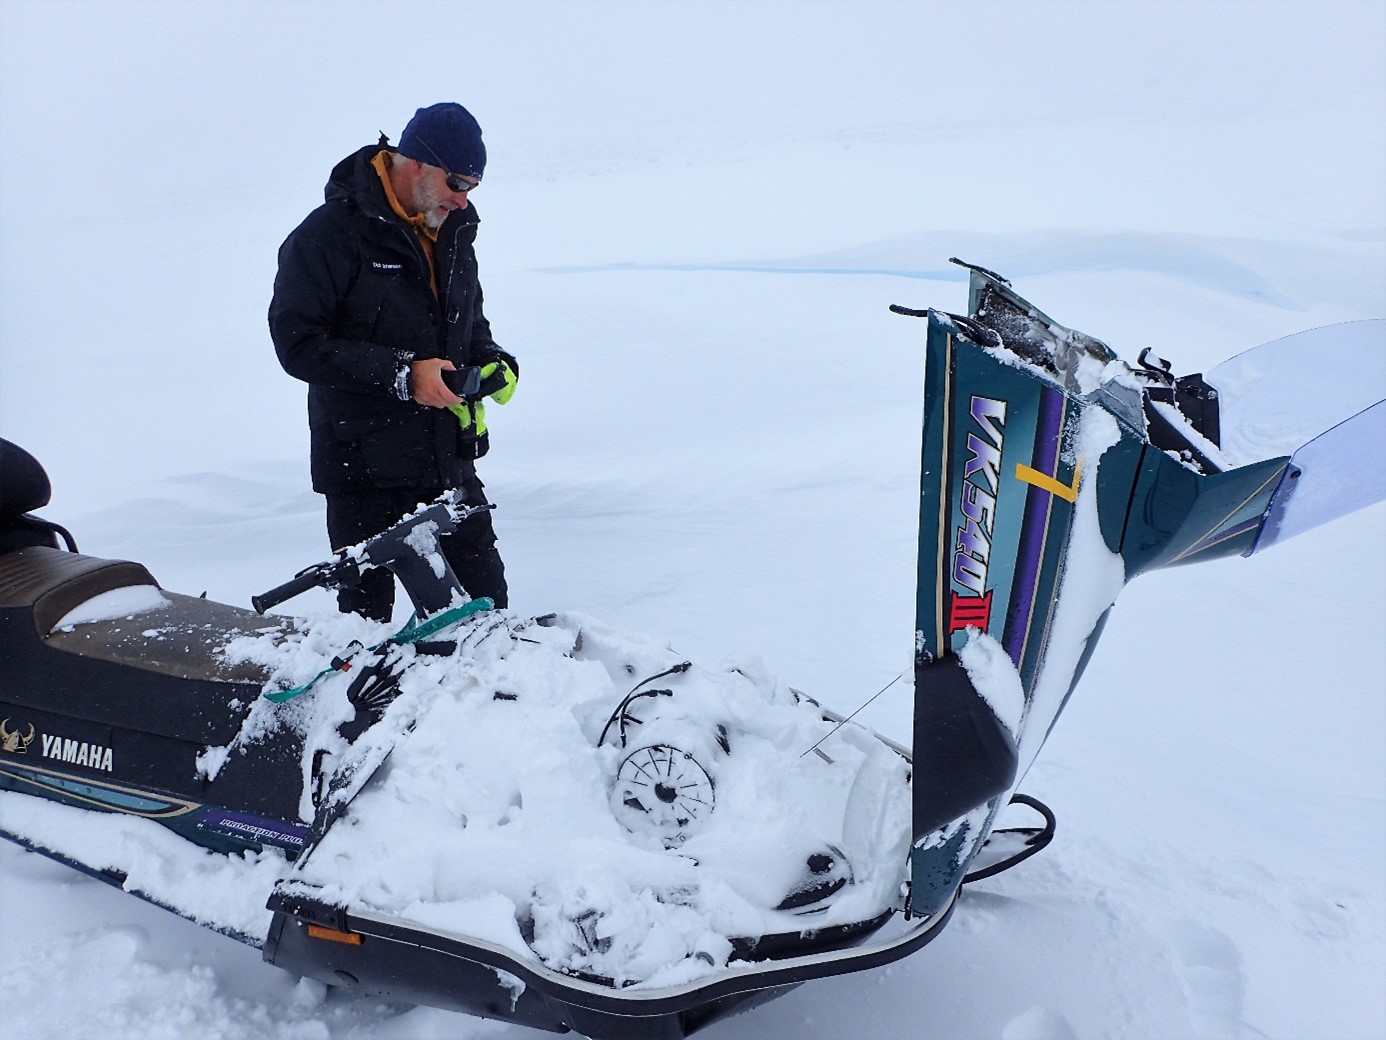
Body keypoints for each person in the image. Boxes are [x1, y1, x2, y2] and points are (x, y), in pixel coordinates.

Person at [269, 103, 517, 621]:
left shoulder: (452, 226)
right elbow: (298, 343)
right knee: (366, 635)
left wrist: (491, 360)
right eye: (456, 181)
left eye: (472, 186)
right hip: (363, 470)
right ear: (415, 162)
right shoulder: (327, 236)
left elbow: (466, 317)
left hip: (448, 460)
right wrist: (403, 374)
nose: (462, 197)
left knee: (486, 615)